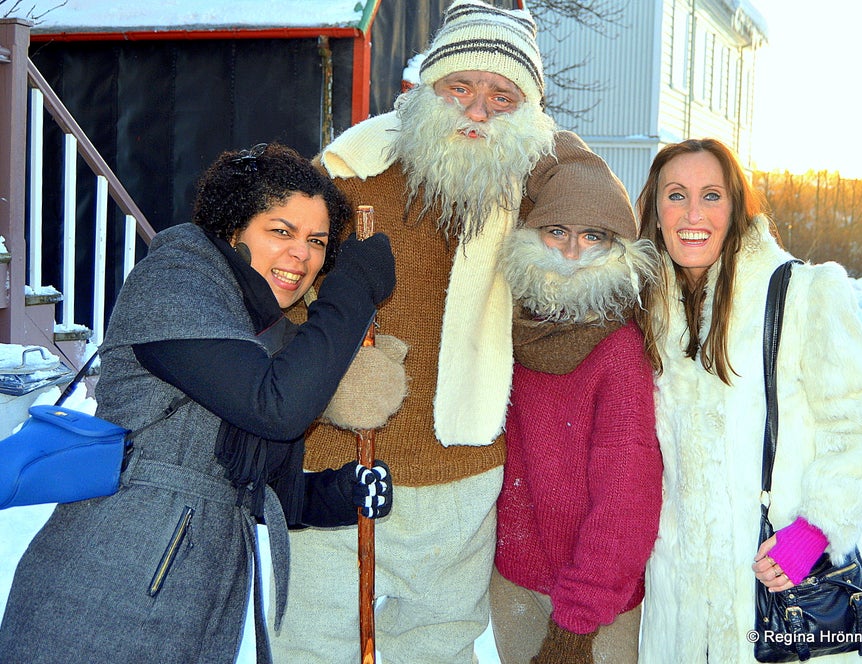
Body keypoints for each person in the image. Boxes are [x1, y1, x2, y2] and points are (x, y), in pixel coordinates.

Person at [0, 143, 401, 664]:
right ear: (233, 228)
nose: (302, 254)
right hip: (110, 583)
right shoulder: (176, 281)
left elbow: (255, 490)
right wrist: (352, 292)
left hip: (201, 598)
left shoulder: (263, 330)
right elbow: (275, 407)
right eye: (281, 231)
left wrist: (338, 494)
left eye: (318, 242)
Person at [269, 1, 570, 662]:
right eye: (458, 87)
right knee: (309, 643)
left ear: (529, 112)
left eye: (501, 95)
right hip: (333, 462)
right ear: (424, 89)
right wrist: (332, 371)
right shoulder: (350, 170)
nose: (476, 110)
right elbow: (278, 292)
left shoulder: (540, 187)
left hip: (458, 474)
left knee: (437, 646)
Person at [633, 138, 862, 663]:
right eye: (676, 195)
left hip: (773, 600)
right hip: (677, 614)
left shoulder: (802, 293)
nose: (693, 213)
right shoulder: (646, 315)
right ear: (656, 211)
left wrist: (815, 529)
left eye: (712, 195)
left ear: (736, 206)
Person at [490, 133, 662, 664]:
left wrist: (577, 623)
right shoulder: (509, 323)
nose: (570, 251)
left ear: (619, 247)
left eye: (594, 236)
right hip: (515, 580)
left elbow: (627, 496)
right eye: (556, 230)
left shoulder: (618, 346)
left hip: (595, 600)